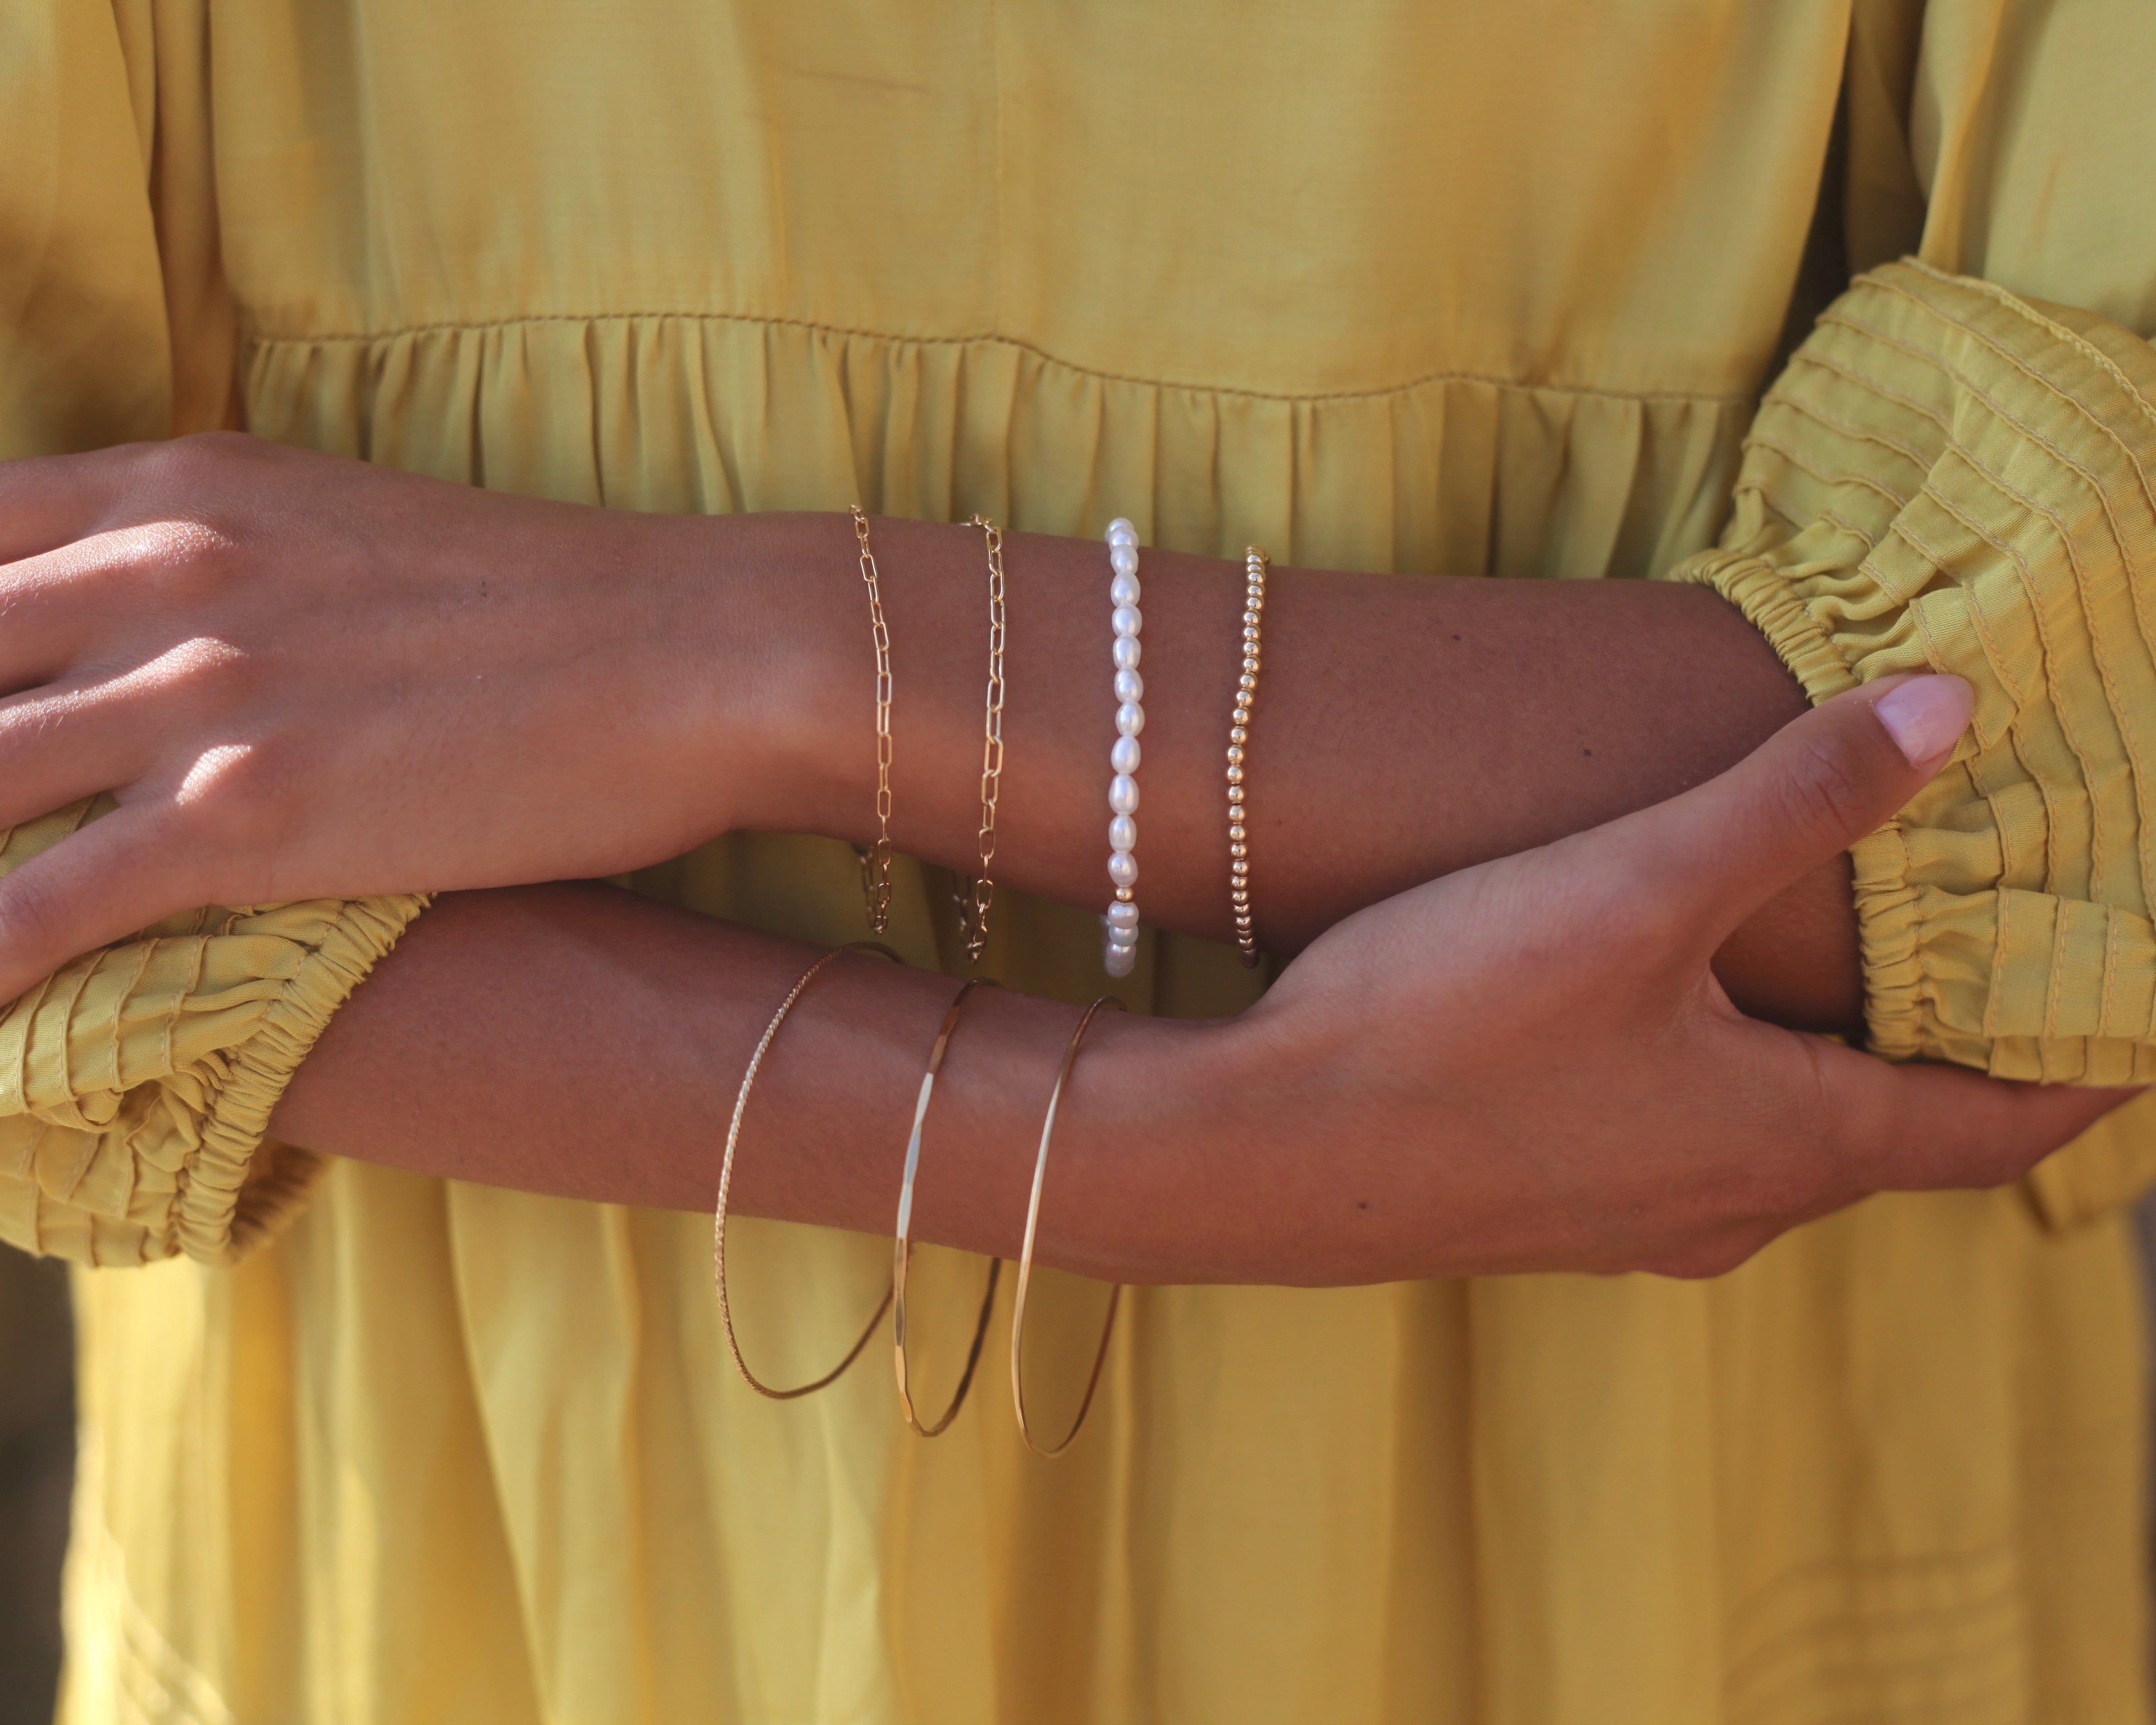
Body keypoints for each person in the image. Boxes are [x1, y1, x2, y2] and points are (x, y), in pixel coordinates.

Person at [4, 2, 2155, 1719]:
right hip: (482, 1529)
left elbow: (2081, 748)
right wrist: (1149, 1151)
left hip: (1656, 1509)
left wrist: (747, 657)